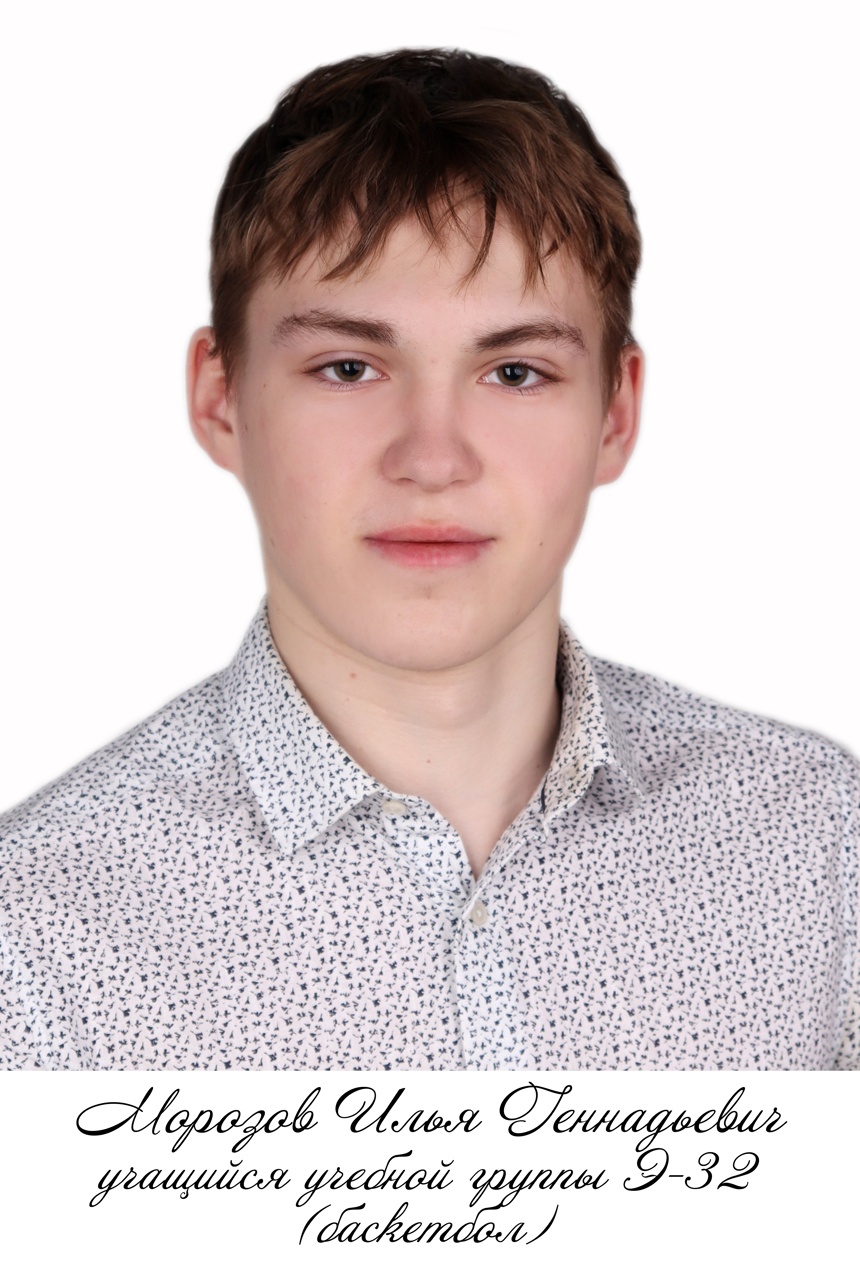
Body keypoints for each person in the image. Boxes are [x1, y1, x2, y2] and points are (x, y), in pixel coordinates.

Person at [1, 47, 857, 1071]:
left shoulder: (821, 848)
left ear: (615, 414)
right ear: (220, 398)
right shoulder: (32, 930)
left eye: (514, 371)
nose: (434, 458)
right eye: (348, 367)